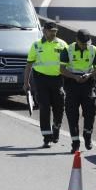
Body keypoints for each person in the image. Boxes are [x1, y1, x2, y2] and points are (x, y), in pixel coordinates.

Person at [24, 21, 68, 149]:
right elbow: (29, 65)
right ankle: (47, 137)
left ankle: (56, 127)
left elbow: (69, 63)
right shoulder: (36, 45)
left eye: (55, 31)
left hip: (57, 80)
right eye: (51, 31)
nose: (53, 33)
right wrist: (26, 82)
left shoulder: (62, 44)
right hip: (41, 80)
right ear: (44, 31)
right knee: (44, 107)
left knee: (59, 107)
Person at [60, 29, 96, 152]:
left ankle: (87, 135)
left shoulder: (93, 50)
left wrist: (89, 75)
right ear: (76, 40)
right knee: (71, 114)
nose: (85, 46)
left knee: (90, 112)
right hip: (72, 84)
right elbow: (61, 69)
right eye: (82, 43)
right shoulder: (68, 49)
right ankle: (75, 142)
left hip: (87, 84)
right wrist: (74, 77)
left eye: (86, 43)